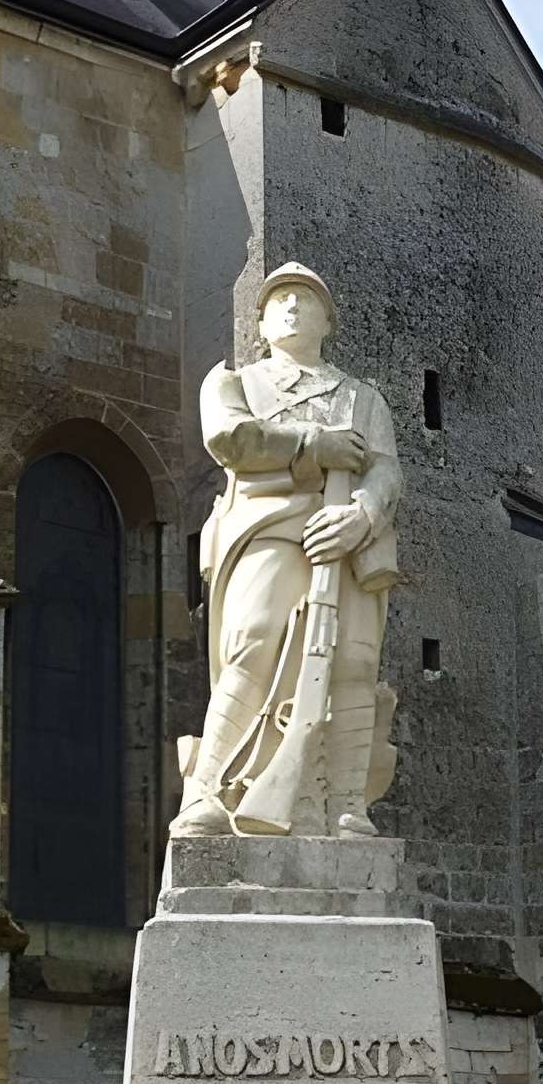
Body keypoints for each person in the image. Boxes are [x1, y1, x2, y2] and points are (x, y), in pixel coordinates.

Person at [174, 263, 402, 838]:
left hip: (348, 541)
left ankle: (348, 805)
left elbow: (386, 468)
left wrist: (363, 515)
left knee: (352, 663)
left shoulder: (362, 397)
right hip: (265, 526)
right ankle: (208, 793)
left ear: (328, 319)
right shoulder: (233, 382)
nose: (293, 307)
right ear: (261, 322)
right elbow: (230, 439)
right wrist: (314, 444)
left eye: (306, 299)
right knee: (251, 642)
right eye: (280, 300)